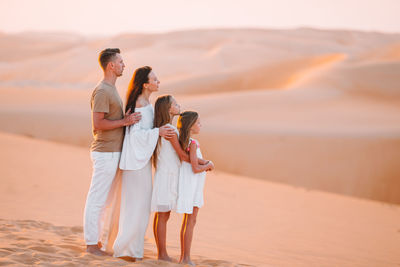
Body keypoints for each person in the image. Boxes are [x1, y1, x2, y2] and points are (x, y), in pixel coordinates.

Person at [113, 66, 175, 261]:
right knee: (135, 207)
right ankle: (124, 250)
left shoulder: (146, 102)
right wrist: (157, 133)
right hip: (135, 164)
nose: (158, 82)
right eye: (155, 79)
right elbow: (135, 137)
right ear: (146, 84)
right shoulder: (138, 104)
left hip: (142, 162)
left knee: (141, 207)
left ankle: (133, 250)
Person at [83, 48, 141, 256]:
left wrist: (123, 118)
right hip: (105, 152)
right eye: (121, 62)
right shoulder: (102, 91)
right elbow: (98, 124)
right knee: (97, 200)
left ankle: (96, 242)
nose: (124, 65)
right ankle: (91, 245)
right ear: (111, 66)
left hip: (113, 152)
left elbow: (109, 118)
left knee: (105, 202)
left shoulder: (111, 89)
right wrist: (124, 121)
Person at [151, 95, 210, 261]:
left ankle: (162, 253)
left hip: (168, 174)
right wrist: (206, 163)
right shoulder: (169, 129)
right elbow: (183, 156)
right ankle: (162, 254)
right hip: (168, 176)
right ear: (168, 109)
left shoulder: (168, 128)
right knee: (163, 215)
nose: (178, 105)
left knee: (162, 215)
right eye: (175, 104)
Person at [175, 111, 214, 265]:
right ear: (190, 126)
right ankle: (186, 258)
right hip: (192, 186)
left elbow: (194, 161)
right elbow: (195, 168)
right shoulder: (192, 143)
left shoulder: (187, 142)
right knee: (191, 221)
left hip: (192, 185)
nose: (200, 125)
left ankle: (184, 257)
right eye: (198, 123)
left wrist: (205, 162)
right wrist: (208, 165)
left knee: (188, 221)